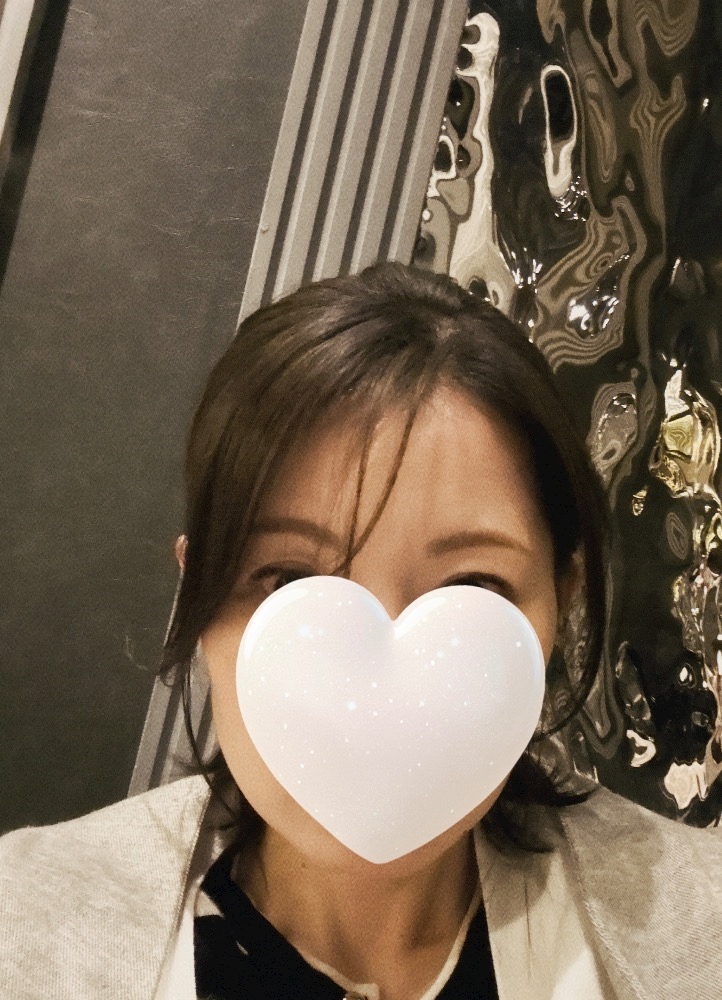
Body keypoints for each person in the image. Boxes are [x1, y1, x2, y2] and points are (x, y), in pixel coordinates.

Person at [1, 262, 721, 1000]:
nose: (381, 693)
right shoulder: (19, 928)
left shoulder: (703, 923)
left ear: (557, 612)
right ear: (199, 596)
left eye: (471, 589)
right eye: (289, 581)